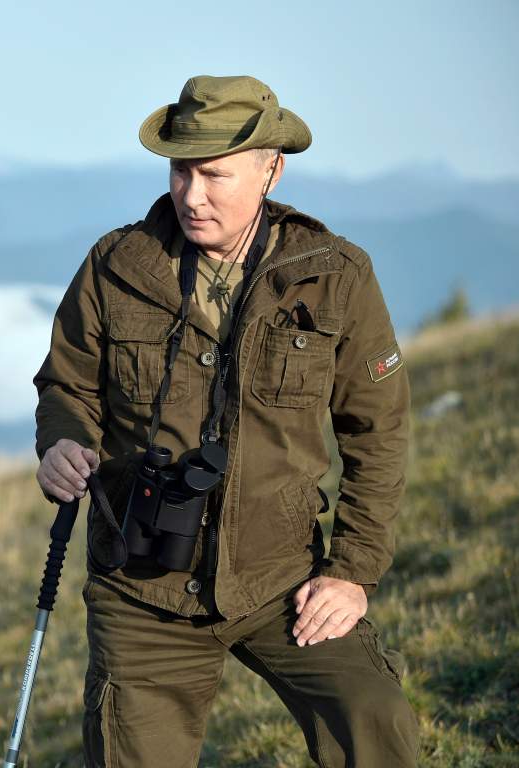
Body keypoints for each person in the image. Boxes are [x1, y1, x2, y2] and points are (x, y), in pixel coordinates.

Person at [31, 75, 418, 766]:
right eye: (181, 170)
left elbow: (378, 432)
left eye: (215, 173)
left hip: (282, 579)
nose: (192, 194)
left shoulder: (335, 276)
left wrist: (352, 571)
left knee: (375, 720)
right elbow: (68, 383)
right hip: (141, 586)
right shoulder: (117, 265)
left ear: (272, 168)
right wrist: (62, 442)